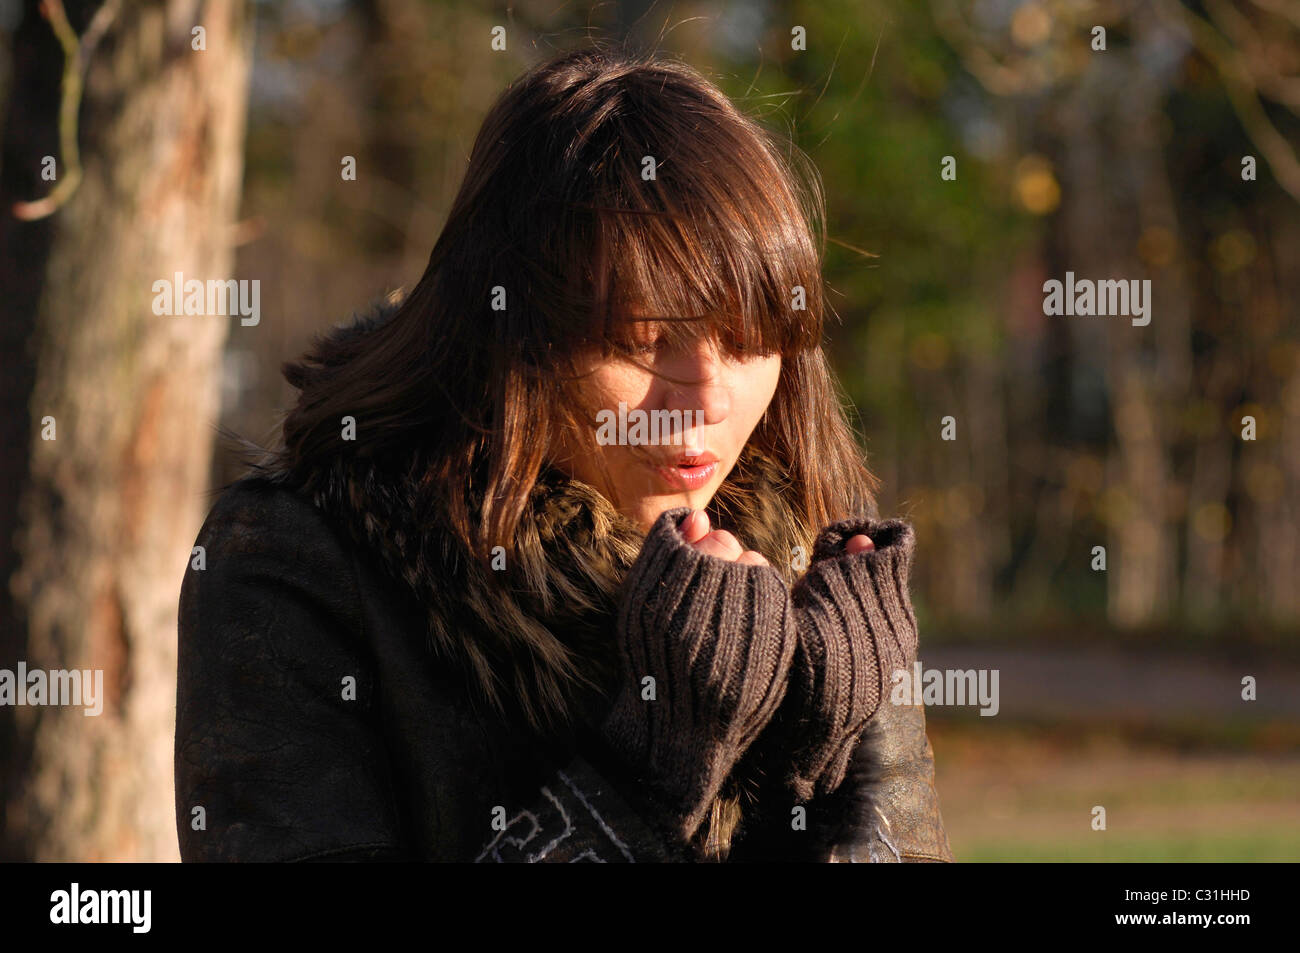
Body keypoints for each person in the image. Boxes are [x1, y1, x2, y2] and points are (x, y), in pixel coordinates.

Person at [174, 45, 955, 863]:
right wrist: (651, 768)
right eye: (644, 342)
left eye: (751, 341)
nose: (712, 399)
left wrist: (818, 780)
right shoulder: (298, 561)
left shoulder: (807, 564)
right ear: (514, 338)